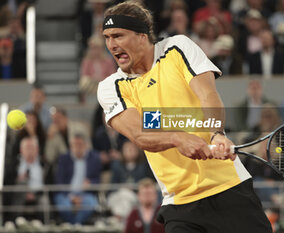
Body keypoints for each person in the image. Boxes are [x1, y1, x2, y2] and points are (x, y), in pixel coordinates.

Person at [97, 1, 272, 233]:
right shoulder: (111, 87)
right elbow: (139, 133)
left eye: (118, 36)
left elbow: (207, 94)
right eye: (107, 37)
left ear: (142, 35)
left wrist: (217, 133)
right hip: (179, 205)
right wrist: (178, 138)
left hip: (230, 188)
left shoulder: (177, 47)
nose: (111, 45)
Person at [54, 134, 101, 224]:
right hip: (66, 194)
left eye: (80, 144)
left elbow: (97, 180)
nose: (78, 147)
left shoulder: (94, 159)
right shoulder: (63, 159)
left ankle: (74, 226)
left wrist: (90, 183)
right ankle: (76, 226)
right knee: (64, 206)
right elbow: (59, 181)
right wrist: (71, 197)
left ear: (86, 145)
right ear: (71, 146)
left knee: (90, 204)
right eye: (75, 144)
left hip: (86, 194)